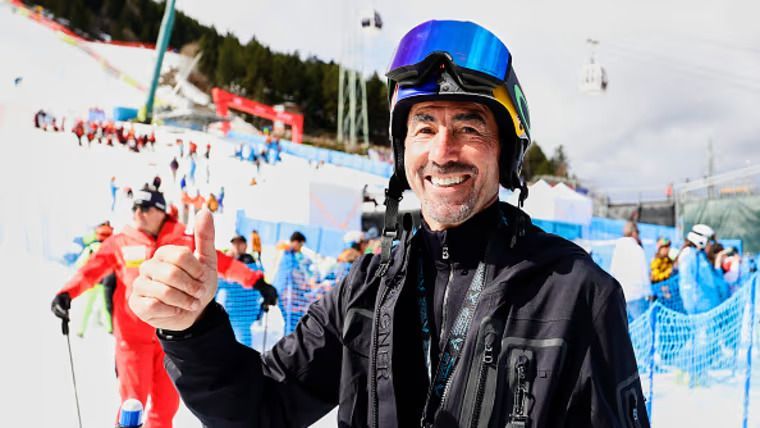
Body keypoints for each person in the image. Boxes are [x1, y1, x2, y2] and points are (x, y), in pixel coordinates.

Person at [129, 20, 648, 427]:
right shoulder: (367, 288)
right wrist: (192, 330)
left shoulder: (576, 294)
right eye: (424, 127)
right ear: (404, 155)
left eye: (468, 126)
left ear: (506, 155)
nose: (442, 152)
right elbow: (260, 409)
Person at [50, 188, 277, 428]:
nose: (138, 212)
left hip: (172, 341)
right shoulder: (121, 242)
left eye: (145, 208)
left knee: (165, 408)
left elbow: (223, 262)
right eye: (135, 207)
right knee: (132, 404)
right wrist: (66, 293)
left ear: (161, 212)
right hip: (132, 339)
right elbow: (91, 270)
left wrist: (257, 281)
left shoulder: (183, 242)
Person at [678, 224, 730, 314]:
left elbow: (714, 282)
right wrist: (691, 310)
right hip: (701, 311)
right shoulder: (688, 254)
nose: (711, 245)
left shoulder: (702, 256)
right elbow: (686, 284)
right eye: (710, 242)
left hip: (712, 308)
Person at [610, 221, 653, 321]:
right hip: (637, 295)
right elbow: (643, 275)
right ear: (634, 233)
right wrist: (648, 292)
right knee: (641, 330)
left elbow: (613, 273)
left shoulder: (617, 250)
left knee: (625, 330)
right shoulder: (638, 250)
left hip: (621, 296)